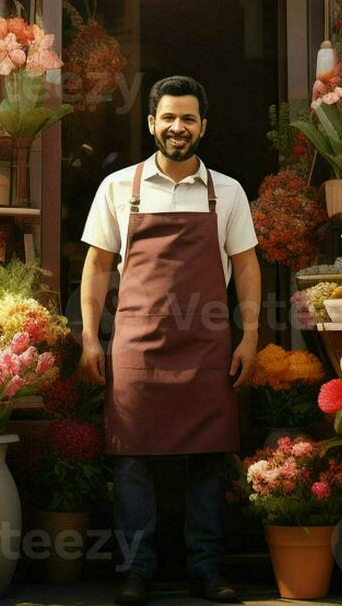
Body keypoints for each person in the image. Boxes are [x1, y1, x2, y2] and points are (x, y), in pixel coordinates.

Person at [79, 75, 261, 605]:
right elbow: (96, 267)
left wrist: (248, 335)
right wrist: (91, 337)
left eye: (188, 118)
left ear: (203, 126)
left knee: (209, 457)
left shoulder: (227, 192)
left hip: (206, 343)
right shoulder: (118, 188)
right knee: (131, 456)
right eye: (168, 117)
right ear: (152, 123)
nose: (177, 127)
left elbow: (247, 267)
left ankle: (207, 571)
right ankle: (136, 573)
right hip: (135, 341)